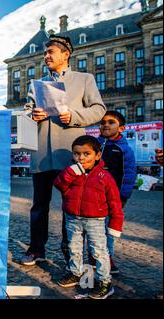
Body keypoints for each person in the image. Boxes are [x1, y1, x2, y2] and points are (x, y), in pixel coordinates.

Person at [21, 35, 107, 266]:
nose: (46, 56)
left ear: (65, 54)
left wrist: (74, 116)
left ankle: (72, 253)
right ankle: (36, 249)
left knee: (72, 207)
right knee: (39, 206)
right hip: (41, 155)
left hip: (70, 154)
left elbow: (99, 110)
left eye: (50, 52)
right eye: (45, 53)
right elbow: (27, 111)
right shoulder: (36, 84)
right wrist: (32, 115)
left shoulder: (84, 79)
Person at [54, 136, 124, 299]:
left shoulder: (105, 177)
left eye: (87, 154)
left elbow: (115, 202)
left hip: (96, 220)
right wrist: (70, 173)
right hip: (73, 218)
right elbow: (59, 185)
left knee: (99, 252)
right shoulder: (71, 171)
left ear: (97, 155)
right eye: (77, 154)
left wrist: (115, 224)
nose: (81, 158)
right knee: (74, 247)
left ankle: (105, 282)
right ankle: (75, 272)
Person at [97, 111, 136, 274]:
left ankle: (108, 259)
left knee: (108, 230)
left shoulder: (124, 149)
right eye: (103, 122)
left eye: (111, 122)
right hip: (93, 196)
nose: (105, 125)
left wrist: (123, 196)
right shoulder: (93, 145)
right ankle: (93, 257)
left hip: (112, 198)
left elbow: (128, 174)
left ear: (121, 128)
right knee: (92, 229)